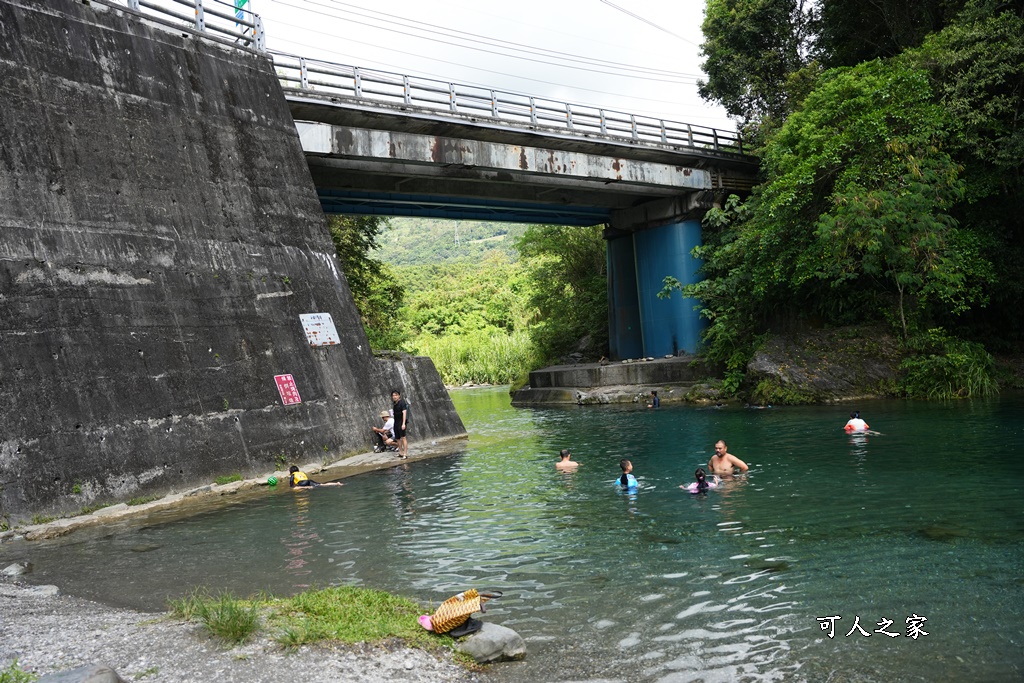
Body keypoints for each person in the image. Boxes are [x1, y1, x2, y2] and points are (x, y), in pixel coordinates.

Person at [391, 389, 410, 459]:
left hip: (401, 422)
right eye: (393, 395)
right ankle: (400, 452)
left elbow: (404, 413)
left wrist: (403, 423)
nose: (394, 397)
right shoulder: (394, 404)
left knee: (403, 437)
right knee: (397, 438)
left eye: (396, 395)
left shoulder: (402, 403)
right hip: (396, 422)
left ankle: (405, 453)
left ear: (399, 396)